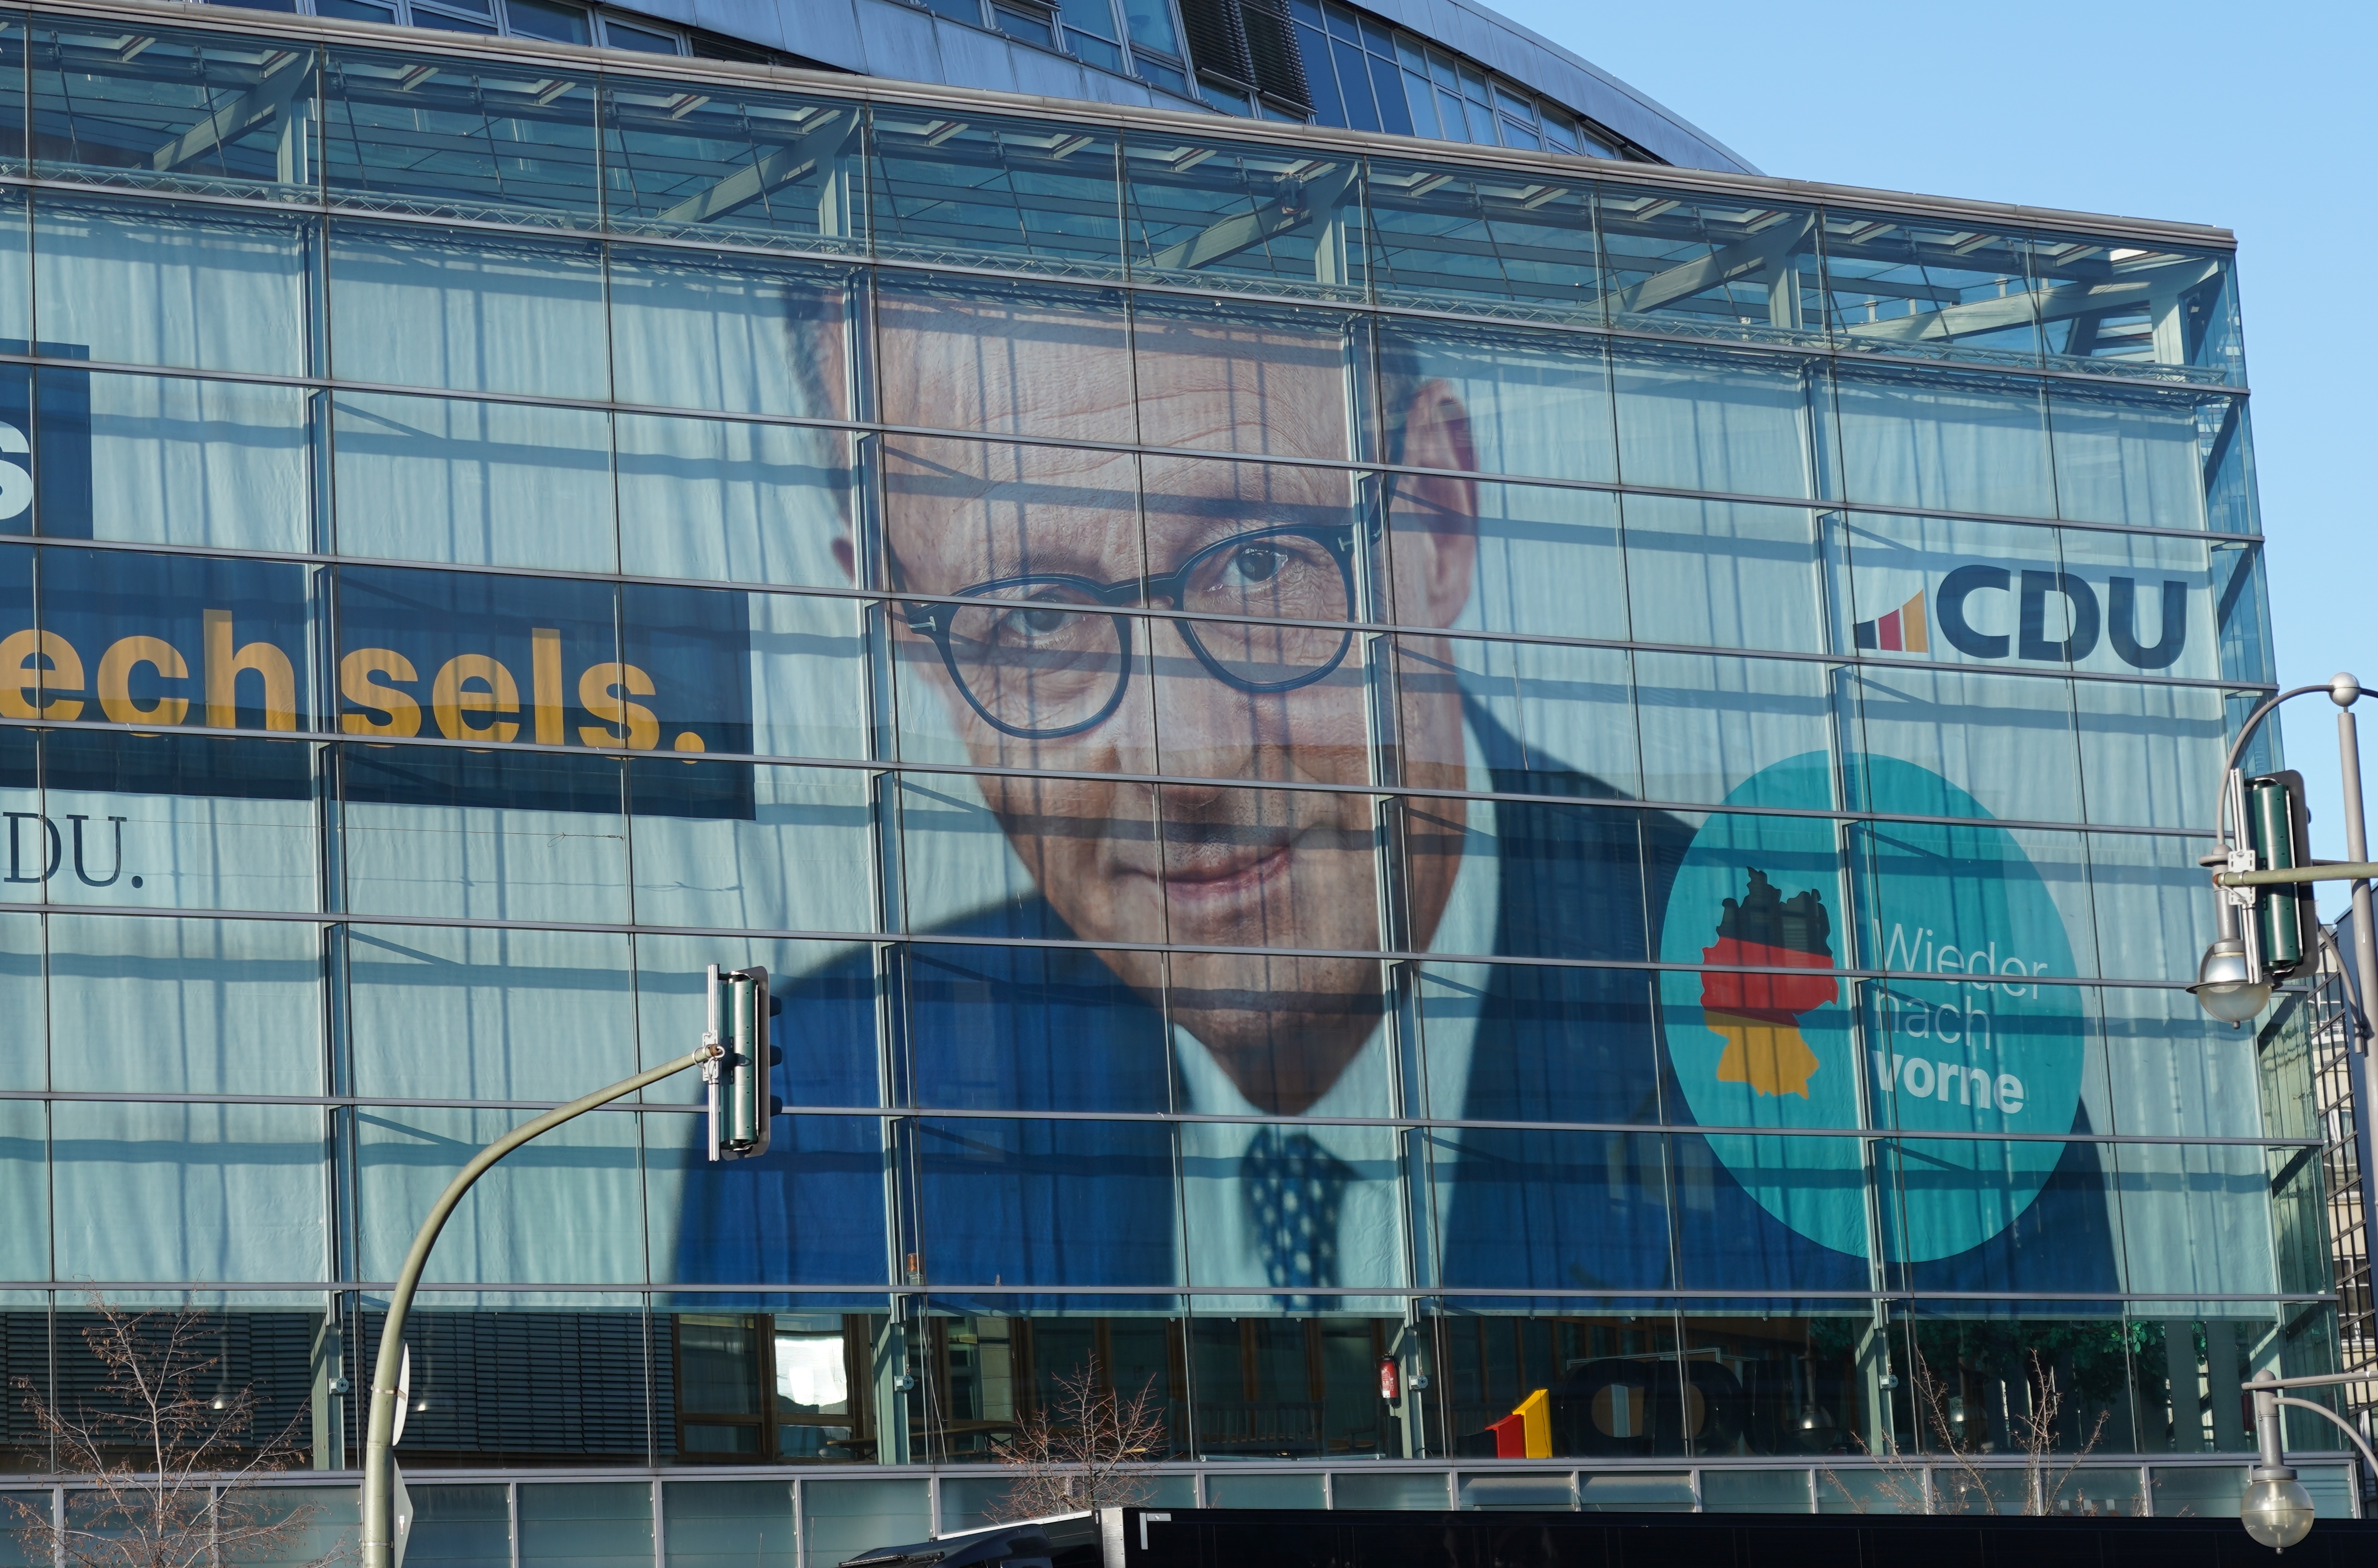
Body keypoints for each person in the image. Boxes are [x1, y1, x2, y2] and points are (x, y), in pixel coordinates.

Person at [675, 282, 2112, 1326]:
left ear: (1436, 515)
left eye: (1253, 566)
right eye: (1032, 619)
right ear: (903, 624)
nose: (1178, 757)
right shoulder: (822, 1121)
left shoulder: (1895, 1075)